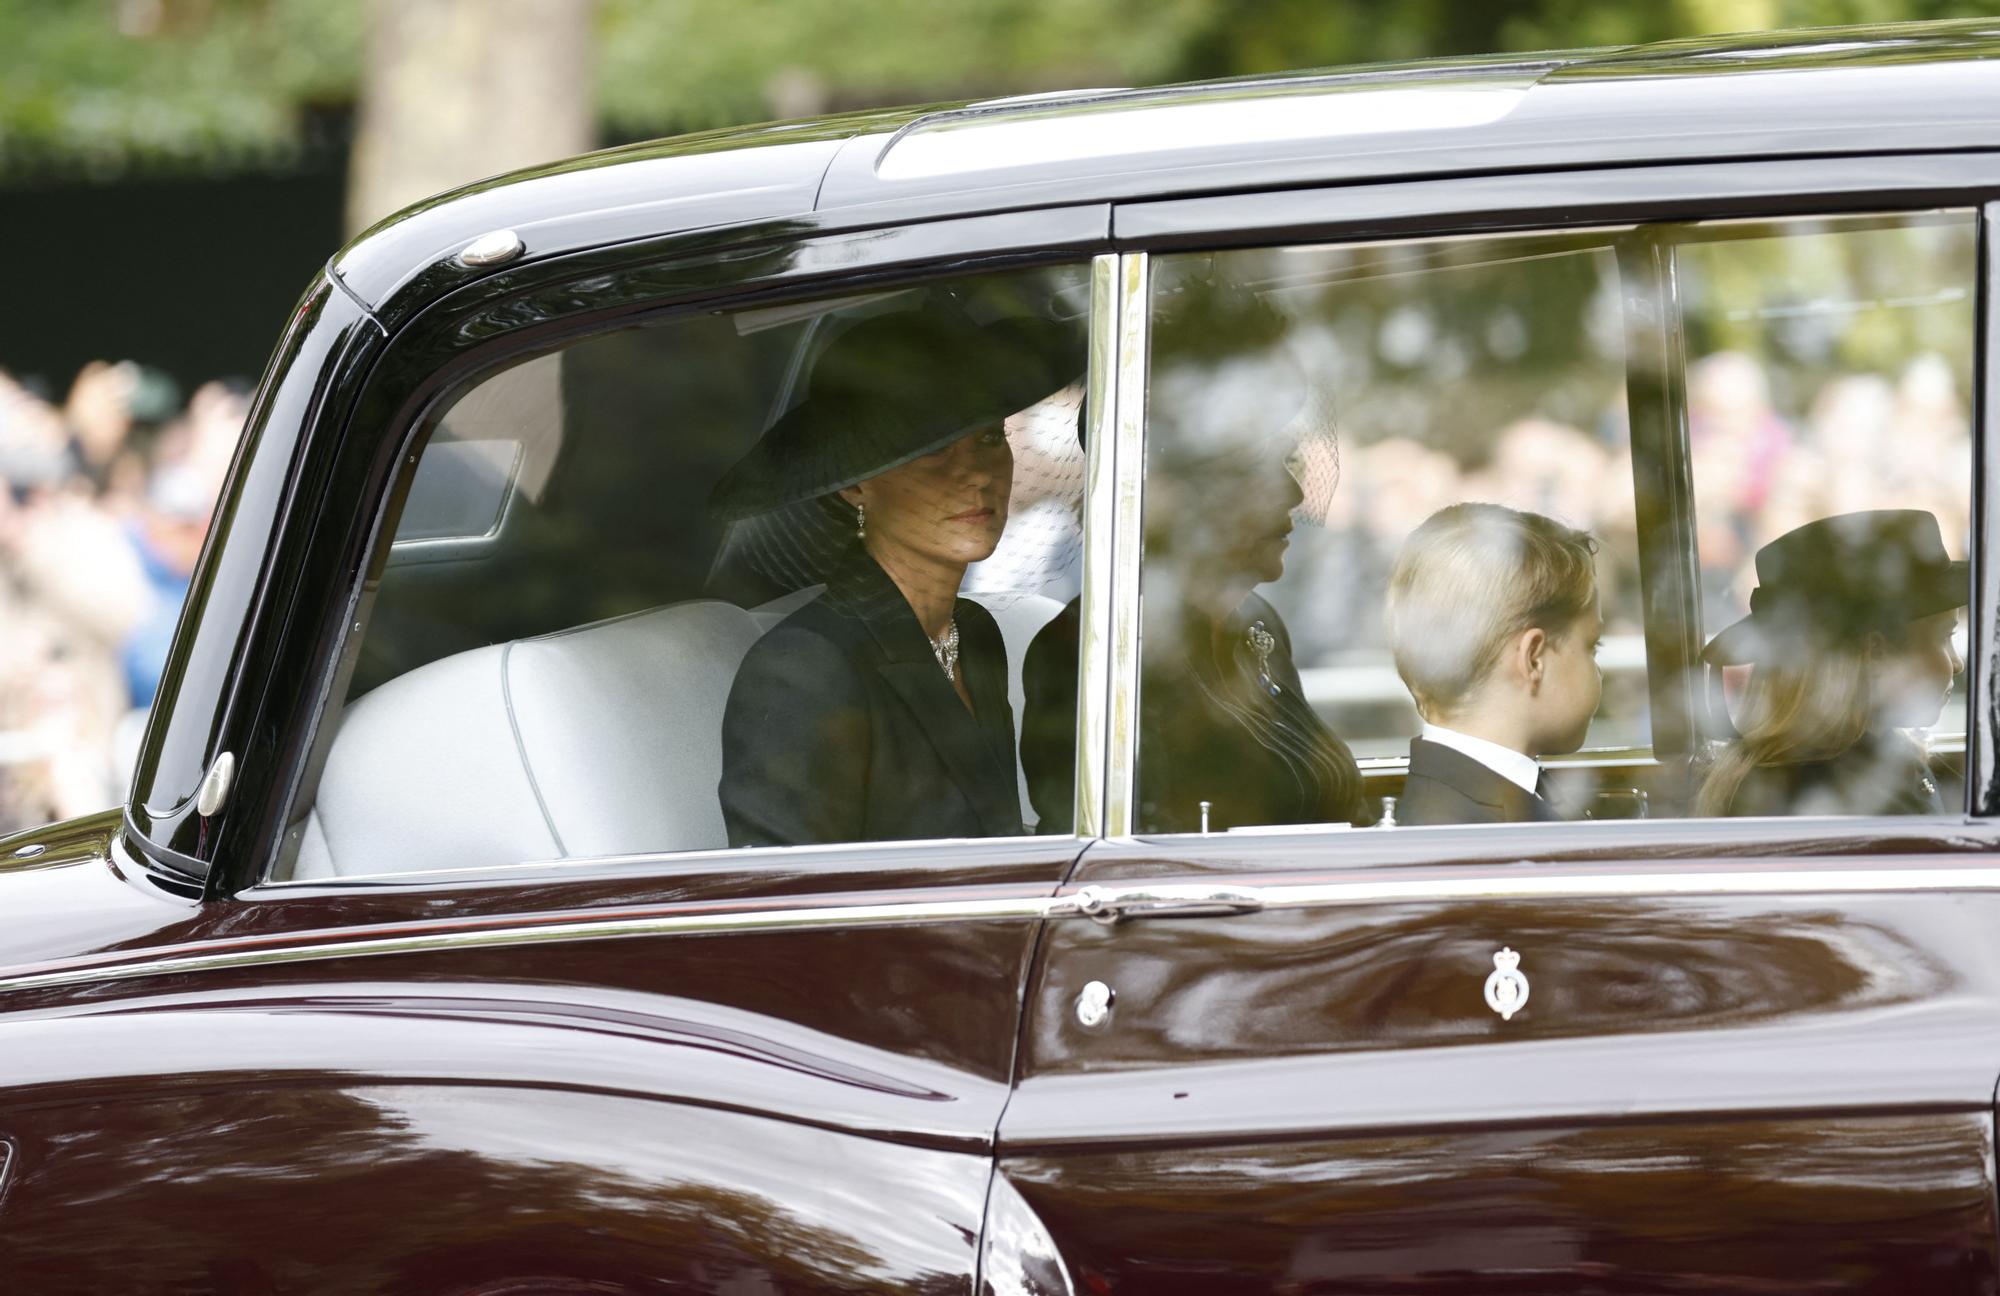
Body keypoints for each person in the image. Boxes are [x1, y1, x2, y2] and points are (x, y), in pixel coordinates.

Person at [712, 299, 1077, 847]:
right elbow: (786, 903)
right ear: (856, 483)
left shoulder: (972, 632)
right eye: (932, 451)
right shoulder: (802, 669)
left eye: (987, 437)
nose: (976, 474)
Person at [1020, 282, 1367, 833]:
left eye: (1287, 461)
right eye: (1256, 468)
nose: (1294, 493)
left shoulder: (1258, 626)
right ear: (1188, 486)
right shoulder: (1095, 651)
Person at [1695, 509, 1965, 818]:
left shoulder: (1874, 760)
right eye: (1944, 637)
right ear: (1875, 652)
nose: (1957, 663)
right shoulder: (1849, 795)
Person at [1384, 503, 1603, 826]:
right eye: (1591, 647)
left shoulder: (1454, 799)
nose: (1599, 671)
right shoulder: (1499, 832)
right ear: (1533, 659)